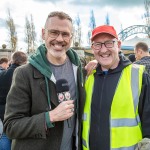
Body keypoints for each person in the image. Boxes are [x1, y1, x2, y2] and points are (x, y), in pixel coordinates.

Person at [3, 11, 85, 150]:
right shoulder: (24, 73)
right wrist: (49, 117)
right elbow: (11, 126)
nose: (59, 39)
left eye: (65, 34)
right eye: (53, 32)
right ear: (43, 34)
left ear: (71, 37)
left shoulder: (79, 70)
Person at [82, 25, 150, 150]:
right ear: (92, 48)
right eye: (97, 44)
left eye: (109, 43)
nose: (103, 50)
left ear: (118, 45)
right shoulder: (89, 77)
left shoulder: (138, 75)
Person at [0, 51, 27, 150]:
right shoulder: (22, 74)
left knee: (5, 134)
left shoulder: (3, 73)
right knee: (14, 135)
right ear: (24, 61)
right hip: (14, 108)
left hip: (1, 108)